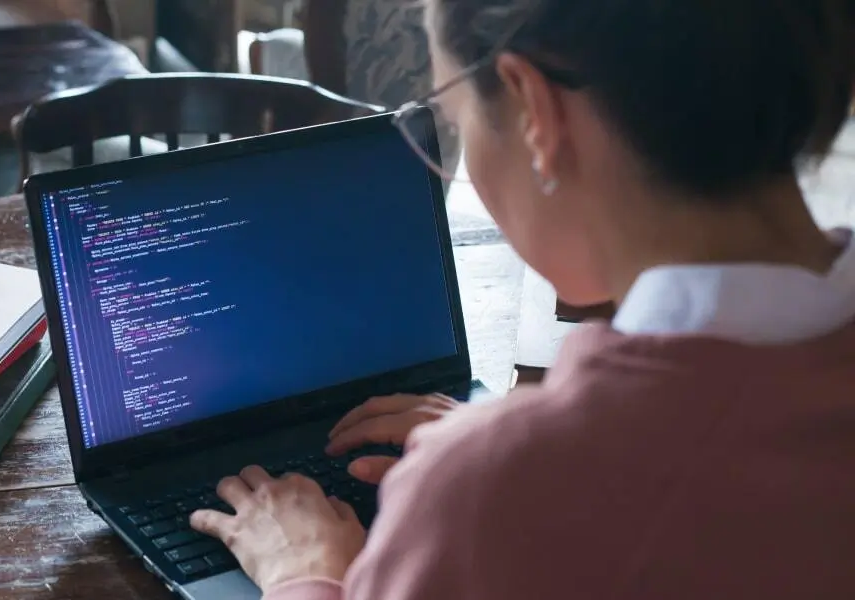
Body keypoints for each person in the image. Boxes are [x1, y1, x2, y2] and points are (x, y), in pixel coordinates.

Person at [188, 0, 855, 598]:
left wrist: (312, 575)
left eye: (453, 117)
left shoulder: (492, 503)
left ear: (534, 109)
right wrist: (512, 447)